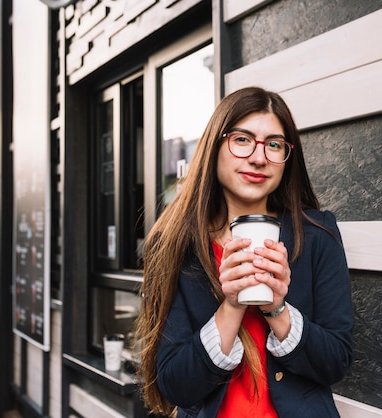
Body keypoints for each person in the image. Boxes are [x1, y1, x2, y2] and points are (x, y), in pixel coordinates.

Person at [135, 86, 353, 417]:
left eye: (274, 145)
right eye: (242, 139)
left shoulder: (317, 236)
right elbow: (175, 385)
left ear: (286, 158)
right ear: (214, 146)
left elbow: (335, 363)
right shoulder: (174, 245)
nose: (258, 157)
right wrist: (233, 305)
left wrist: (277, 308)